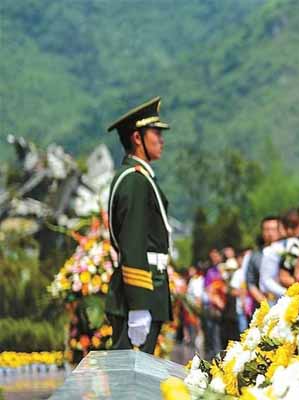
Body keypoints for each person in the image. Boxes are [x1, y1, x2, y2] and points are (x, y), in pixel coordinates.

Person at [105, 97, 173, 354]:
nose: (161, 140)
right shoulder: (135, 181)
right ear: (137, 138)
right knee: (129, 374)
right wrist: (139, 305)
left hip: (148, 289)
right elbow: (133, 243)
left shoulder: (141, 178)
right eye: (156, 133)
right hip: (141, 291)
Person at [245, 217, 281, 312]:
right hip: (264, 305)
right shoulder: (255, 255)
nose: (270, 233)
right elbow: (250, 282)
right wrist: (264, 303)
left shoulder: (287, 250)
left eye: (273, 229)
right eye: (267, 229)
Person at [202, 248, 227, 358]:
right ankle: (212, 353)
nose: (214, 258)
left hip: (222, 305)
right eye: (212, 256)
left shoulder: (223, 270)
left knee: (218, 331)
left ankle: (218, 353)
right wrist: (214, 299)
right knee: (210, 331)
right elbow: (207, 288)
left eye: (216, 256)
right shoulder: (210, 272)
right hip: (211, 305)